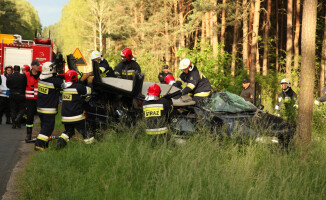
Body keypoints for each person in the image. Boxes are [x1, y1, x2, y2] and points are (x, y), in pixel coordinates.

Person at [56, 70, 93, 149]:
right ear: (74, 77)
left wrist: (81, 81)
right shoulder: (78, 87)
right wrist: (89, 82)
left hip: (65, 116)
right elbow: (89, 91)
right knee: (86, 132)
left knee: (69, 132)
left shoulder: (63, 86)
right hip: (76, 116)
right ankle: (91, 147)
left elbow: (75, 88)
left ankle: (59, 145)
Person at [34, 62, 63, 151]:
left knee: (44, 127)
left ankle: (45, 145)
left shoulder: (42, 78)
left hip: (41, 108)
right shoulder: (54, 81)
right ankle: (38, 145)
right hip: (48, 109)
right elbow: (64, 84)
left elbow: (56, 78)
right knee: (48, 128)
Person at [24, 60, 41, 142]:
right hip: (30, 99)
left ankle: (42, 134)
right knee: (30, 116)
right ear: (33, 66)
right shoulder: (26, 75)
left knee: (42, 116)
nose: (38, 67)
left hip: (40, 99)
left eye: (39, 65)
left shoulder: (41, 75)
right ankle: (29, 134)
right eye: (37, 65)